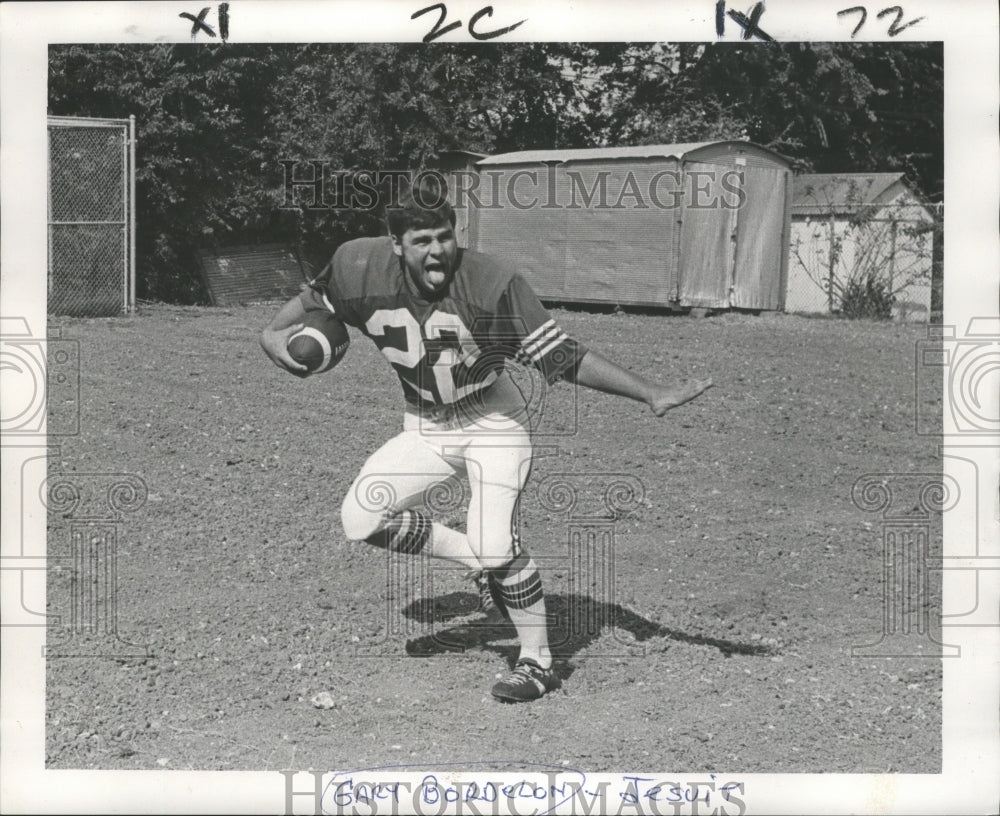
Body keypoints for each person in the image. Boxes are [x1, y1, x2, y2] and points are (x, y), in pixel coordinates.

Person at [260, 180, 712, 703]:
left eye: (445, 237)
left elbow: (563, 357)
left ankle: (538, 661)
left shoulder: (491, 282)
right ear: (396, 244)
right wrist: (271, 334)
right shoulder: (356, 267)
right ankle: (478, 563)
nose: (436, 250)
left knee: (499, 543)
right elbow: (310, 301)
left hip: (492, 421)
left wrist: (650, 393)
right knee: (361, 518)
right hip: (426, 423)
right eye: (422, 240)